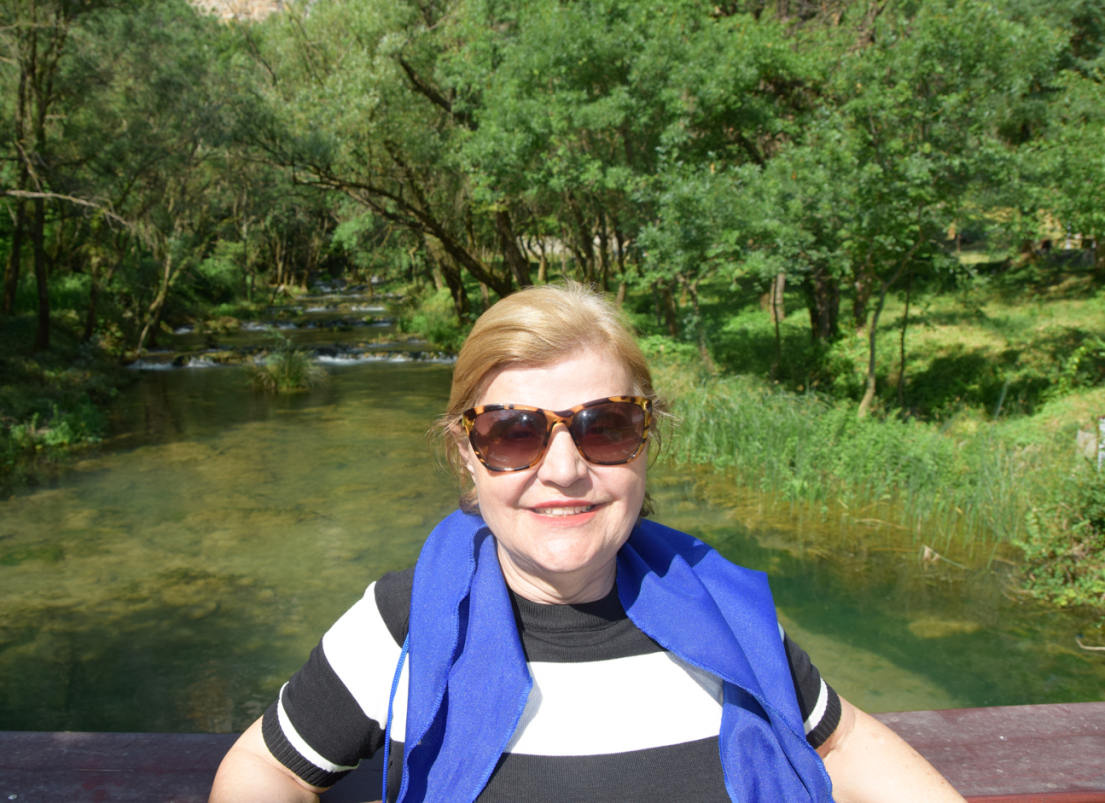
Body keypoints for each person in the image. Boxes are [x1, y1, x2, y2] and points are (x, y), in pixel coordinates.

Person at [210, 282, 967, 803]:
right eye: (514, 432)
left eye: (605, 426)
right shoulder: (402, 624)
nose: (565, 470)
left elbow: (843, 742)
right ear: (466, 455)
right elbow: (268, 767)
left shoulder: (724, 609)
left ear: (646, 440)